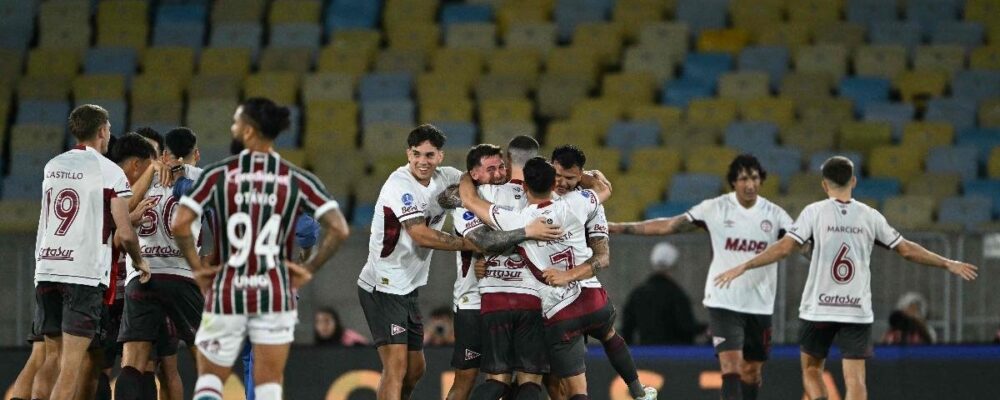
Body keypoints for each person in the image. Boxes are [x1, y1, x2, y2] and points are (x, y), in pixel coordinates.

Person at [714, 155, 979, 400]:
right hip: (855, 309)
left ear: (824, 184)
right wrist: (948, 263)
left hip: (819, 308)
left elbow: (785, 248)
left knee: (812, 370)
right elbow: (907, 250)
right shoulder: (869, 216)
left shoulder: (814, 212)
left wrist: (746, 265)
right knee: (856, 379)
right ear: (853, 181)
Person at [172, 97, 351, 400]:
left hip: (228, 290)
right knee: (267, 384)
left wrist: (198, 269)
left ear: (249, 131)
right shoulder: (296, 179)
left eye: (236, 122)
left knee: (210, 383)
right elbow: (339, 228)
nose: (232, 127)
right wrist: (308, 269)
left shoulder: (218, 176)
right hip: (274, 294)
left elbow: (180, 223)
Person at [461, 157, 656, 400]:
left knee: (571, 389)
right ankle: (639, 392)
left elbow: (469, 200)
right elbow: (604, 189)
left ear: (523, 187)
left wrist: (467, 175)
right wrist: (586, 174)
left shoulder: (519, 220)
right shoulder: (576, 204)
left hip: (558, 311)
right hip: (592, 297)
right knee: (608, 336)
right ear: (554, 182)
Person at [609, 154, 794, 400]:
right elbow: (669, 225)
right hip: (723, 301)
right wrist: (620, 227)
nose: (750, 184)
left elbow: (797, 243)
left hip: (759, 304)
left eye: (755, 178)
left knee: (751, 371)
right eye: (743, 179)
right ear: (733, 182)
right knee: (730, 366)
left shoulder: (775, 215)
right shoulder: (714, 209)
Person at [31, 105, 150, 400]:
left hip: (47, 268)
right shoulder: (110, 172)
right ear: (101, 131)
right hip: (82, 275)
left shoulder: (52, 165)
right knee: (72, 365)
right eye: (108, 128)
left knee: (51, 358)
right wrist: (140, 261)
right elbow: (124, 232)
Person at [355, 124, 480, 400]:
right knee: (396, 367)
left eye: (429, 155)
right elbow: (420, 234)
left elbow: (477, 185)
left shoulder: (446, 177)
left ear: (440, 157)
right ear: (407, 154)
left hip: (407, 287)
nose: (422, 161)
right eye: (416, 154)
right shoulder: (399, 185)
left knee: (415, 370)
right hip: (382, 286)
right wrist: (467, 243)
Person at [439, 141, 564, 400]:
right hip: (473, 300)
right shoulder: (475, 197)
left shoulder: (474, 198)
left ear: (509, 162)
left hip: (503, 299)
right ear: (474, 173)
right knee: (472, 380)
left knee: (502, 380)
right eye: (490, 169)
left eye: (500, 167)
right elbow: (482, 238)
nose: (497, 174)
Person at [545, 145, 656, 400]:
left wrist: (567, 275)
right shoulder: (591, 201)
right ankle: (639, 392)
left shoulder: (534, 197)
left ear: (579, 175)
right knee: (606, 335)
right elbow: (602, 256)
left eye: (570, 178)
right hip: (587, 296)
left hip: (554, 303)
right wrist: (589, 178)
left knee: (558, 383)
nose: (561, 182)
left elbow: (603, 256)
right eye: (557, 175)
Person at [115, 127, 207, 400]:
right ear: (197, 155)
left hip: (142, 276)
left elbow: (122, 210)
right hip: (181, 276)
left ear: (164, 154)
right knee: (204, 358)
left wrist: (151, 172)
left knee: (132, 361)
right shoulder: (203, 179)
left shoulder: (145, 180)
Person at [622, 242, 701, 345]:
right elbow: (686, 327)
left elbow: (627, 329)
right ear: (673, 267)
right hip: (675, 356)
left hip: (645, 355)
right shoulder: (677, 295)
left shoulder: (638, 294)